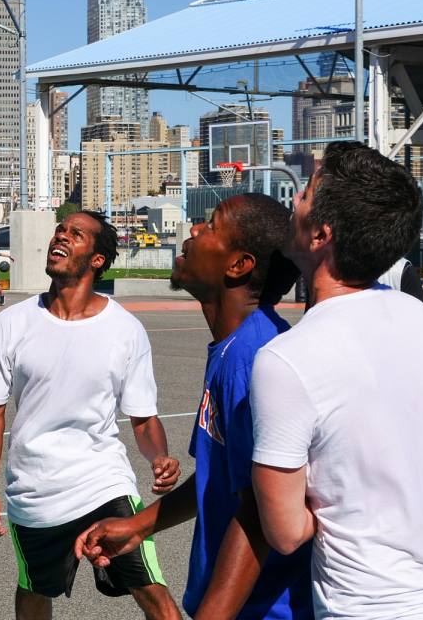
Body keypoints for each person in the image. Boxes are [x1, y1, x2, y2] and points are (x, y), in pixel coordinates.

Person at [76, 194, 312, 619]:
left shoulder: (253, 357)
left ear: (238, 265)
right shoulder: (233, 347)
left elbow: (259, 509)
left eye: (211, 226)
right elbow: (218, 476)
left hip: (261, 609)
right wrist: (137, 526)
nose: (193, 232)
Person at [0, 211, 182, 620]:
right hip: (36, 491)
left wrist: (158, 457)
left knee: (150, 587)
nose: (62, 237)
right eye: (60, 231)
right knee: (35, 590)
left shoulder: (125, 329)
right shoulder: (11, 323)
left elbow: (143, 418)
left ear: (98, 259)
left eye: (77, 234)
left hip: (103, 482)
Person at [249, 141, 423, 618]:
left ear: (321, 234)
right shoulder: (419, 317)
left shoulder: (286, 359)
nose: (295, 202)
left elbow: (285, 532)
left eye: (304, 194)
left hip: (366, 603)